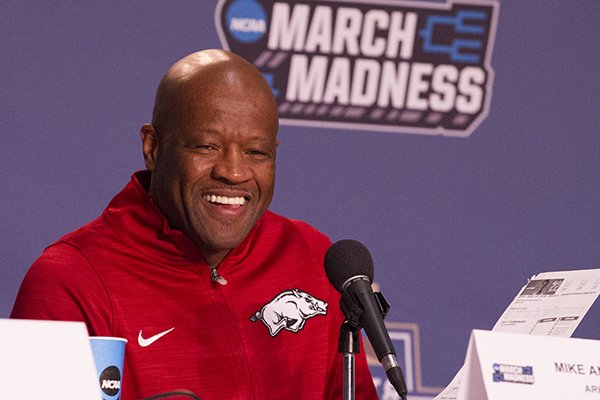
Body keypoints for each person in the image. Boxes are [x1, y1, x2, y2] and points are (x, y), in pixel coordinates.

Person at [11, 49, 378, 400]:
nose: (234, 172)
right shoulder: (69, 281)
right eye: (206, 147)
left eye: (256, 152)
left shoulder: (311, 257)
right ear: (153, 147)